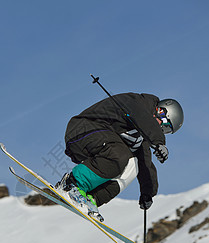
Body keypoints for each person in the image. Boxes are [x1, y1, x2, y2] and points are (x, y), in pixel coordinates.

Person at [55, 92, 184, 220]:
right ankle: (71, 185)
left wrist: (147, 193)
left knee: (133, 164)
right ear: (161, 110)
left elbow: (145, 163)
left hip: (101, 145)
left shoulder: (141, 136)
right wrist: (158, 142)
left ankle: (90, 199)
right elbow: (143, 118)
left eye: (166, 130)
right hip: (83, 130)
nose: (161, 126)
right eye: (164, 122)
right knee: (120, 154)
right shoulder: (138, 103)